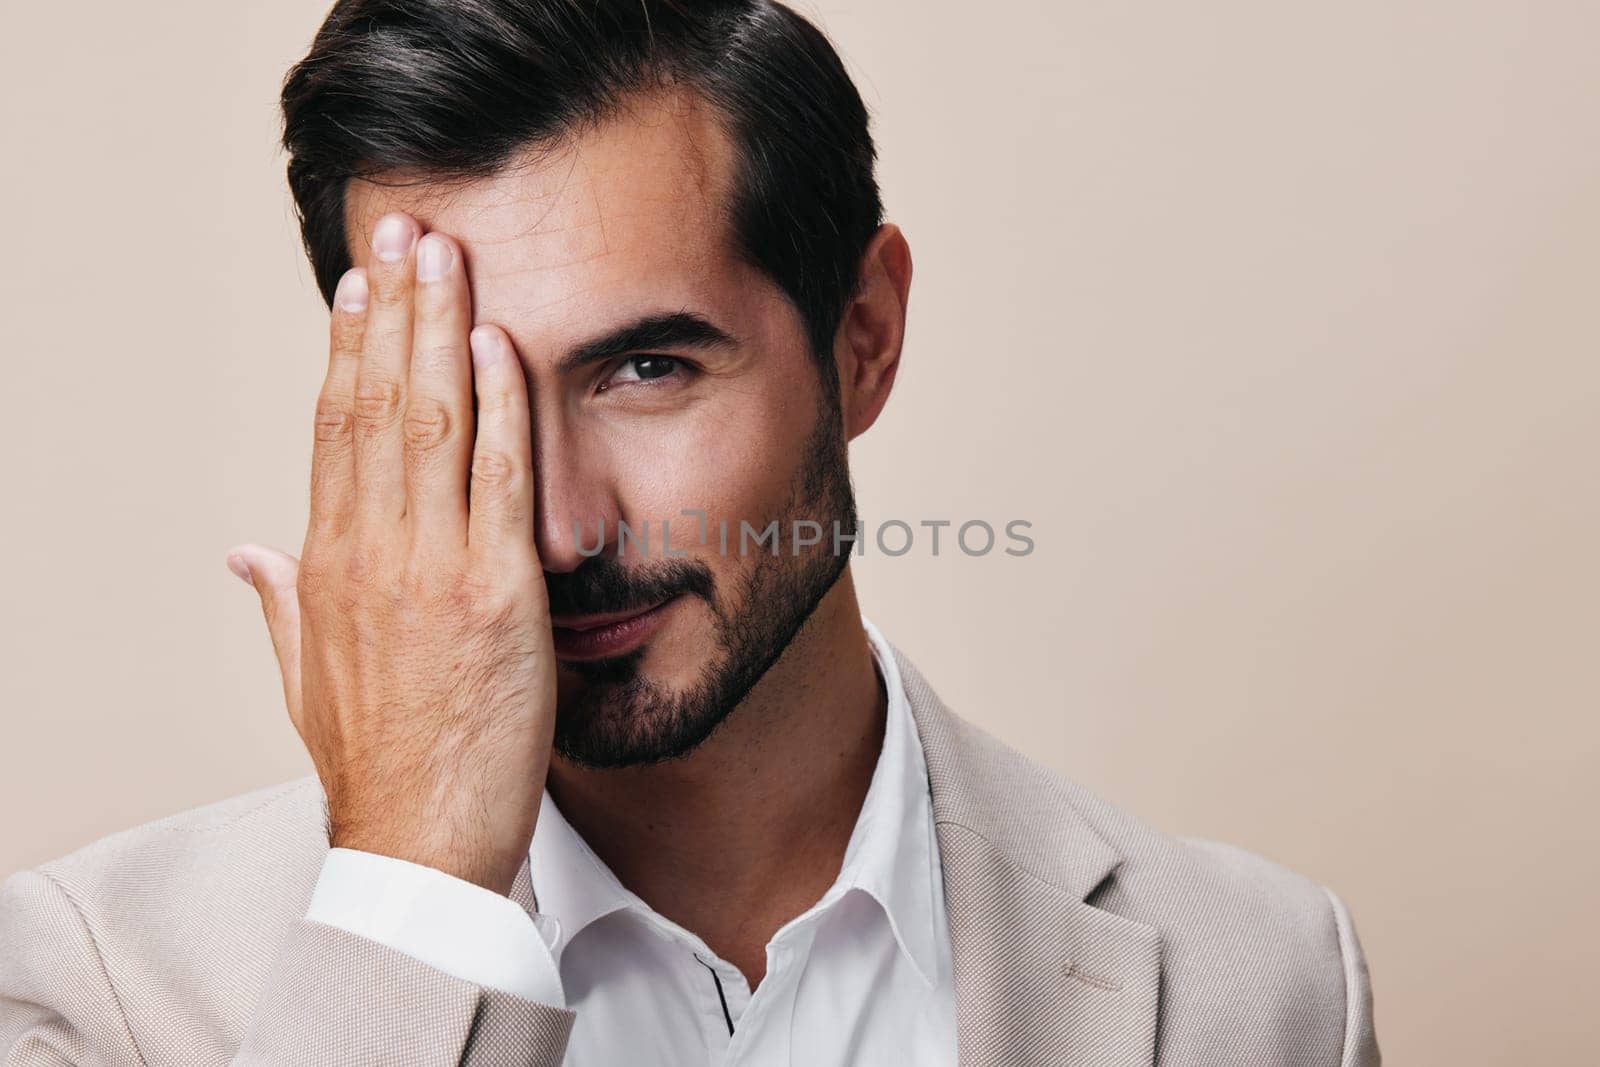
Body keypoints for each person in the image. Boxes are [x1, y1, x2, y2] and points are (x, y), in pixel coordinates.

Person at [0, 1, 1378, 1063]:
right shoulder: (104, 981)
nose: (555, 524)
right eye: (461, 391)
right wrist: (413, 889)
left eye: (648, 369)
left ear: (866, 337)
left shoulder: (1264, 983)